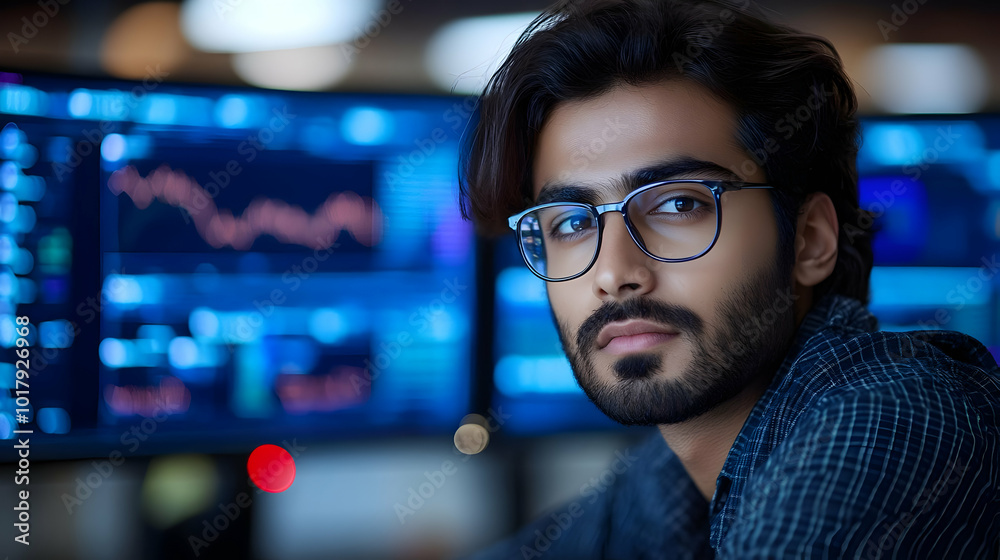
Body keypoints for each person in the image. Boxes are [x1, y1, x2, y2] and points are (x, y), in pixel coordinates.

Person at [456, 0, 1000, 558]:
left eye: (678, 206)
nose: (614, 273)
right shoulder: (678, 463)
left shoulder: (895, 422)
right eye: (571, 221)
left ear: (810, 239)